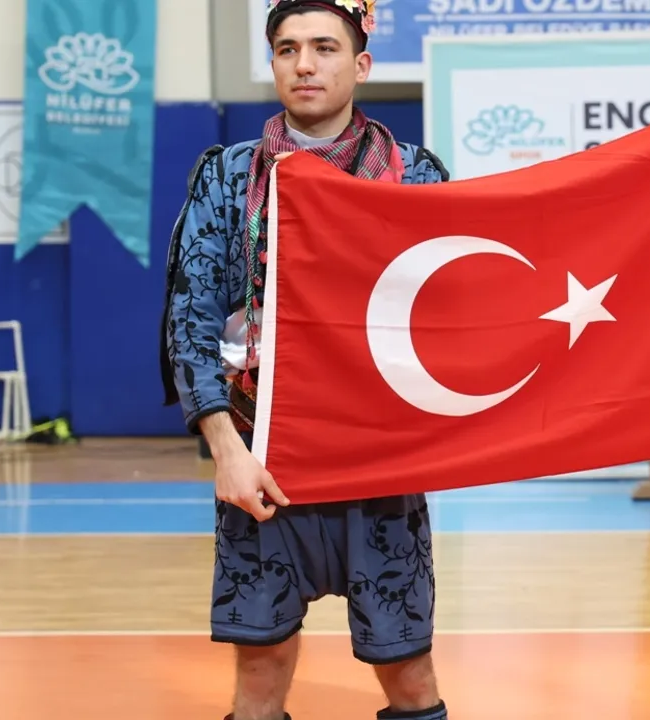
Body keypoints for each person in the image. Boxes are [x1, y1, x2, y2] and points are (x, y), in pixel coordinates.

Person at [159, 2, 450, 718]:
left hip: (381, 467)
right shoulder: (227, 176)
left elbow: (457, 317)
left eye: (324, 47)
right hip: (264, 461)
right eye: (287, 49)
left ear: (361, 64)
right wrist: (227, 453)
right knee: (260, 674)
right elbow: (190, 319)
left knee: (409, 674)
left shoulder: (415, 175)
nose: (305, 64)